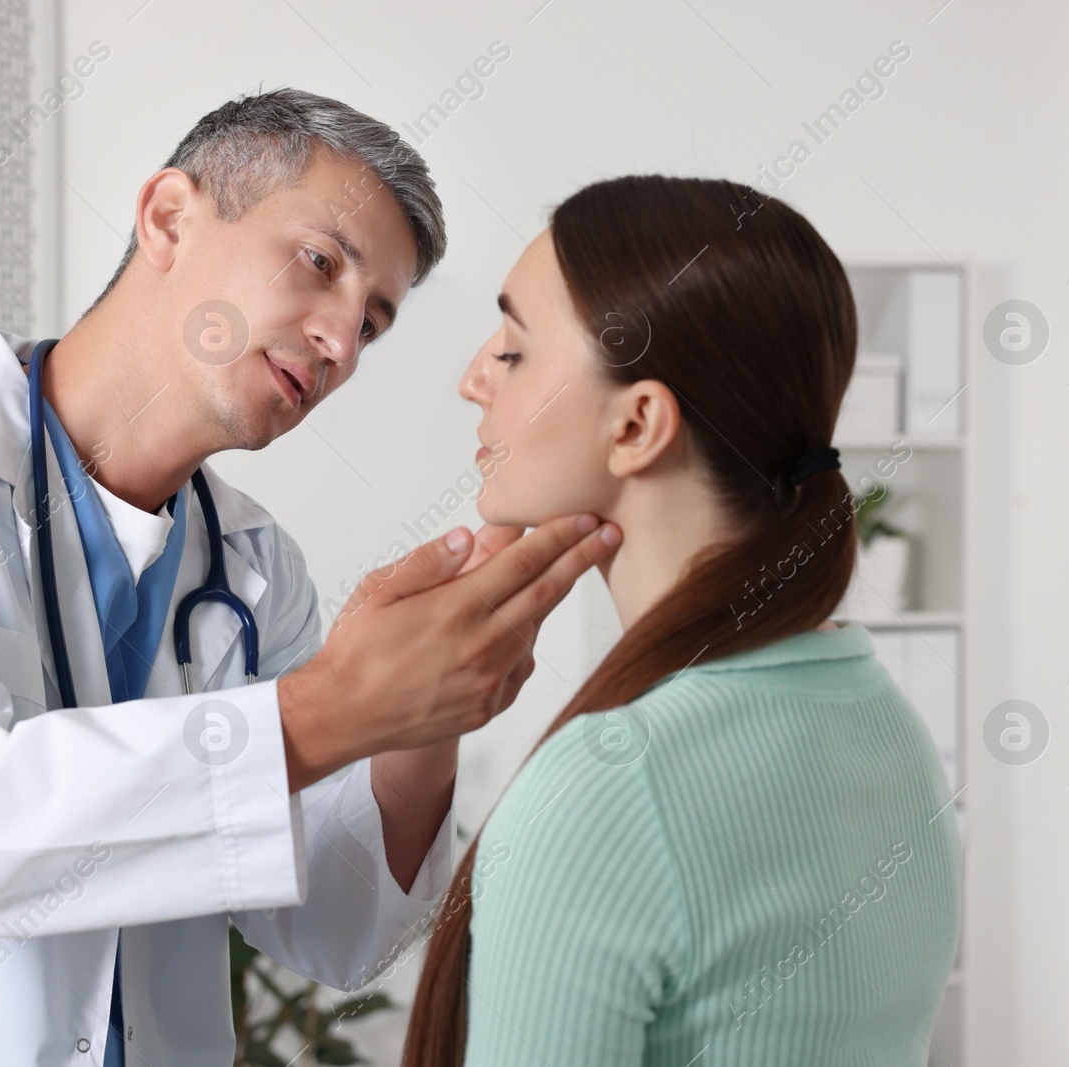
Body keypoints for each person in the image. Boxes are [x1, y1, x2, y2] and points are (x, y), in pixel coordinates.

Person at [0, 89, 623, 1066]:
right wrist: (325, 710)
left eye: (371, 322)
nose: (337, 341)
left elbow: (336, 930)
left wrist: (423, 710)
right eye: (321, 263)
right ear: (167, 217)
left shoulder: (250, 568)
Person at [402, 176, 961, 1066]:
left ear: (636, 426)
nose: (474, 379)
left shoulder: (609, 788)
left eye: (513, 350)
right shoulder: (885, 726)